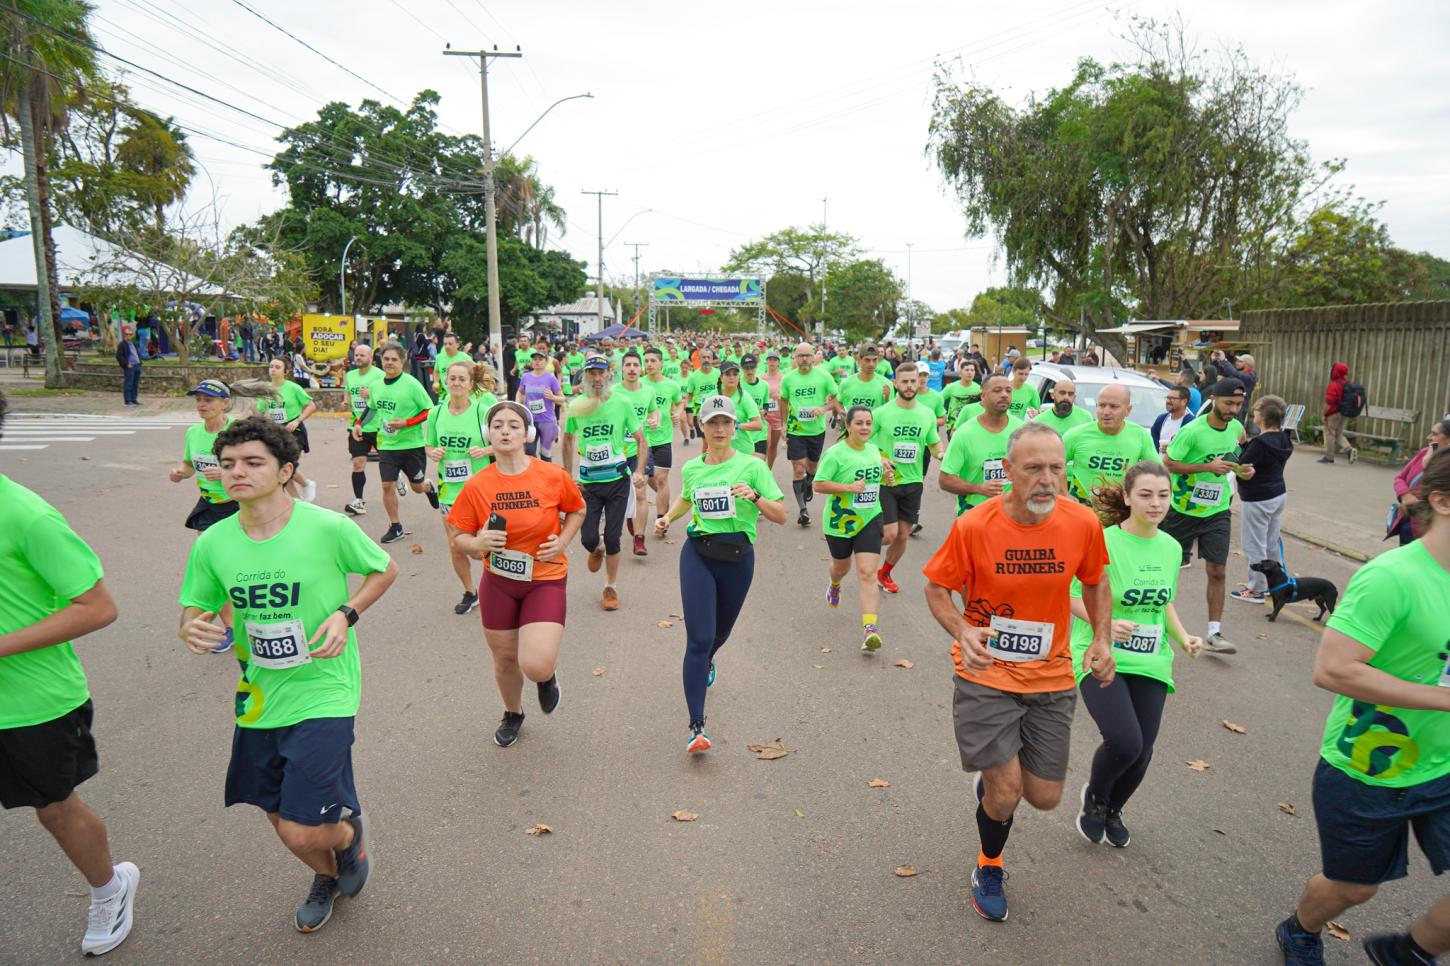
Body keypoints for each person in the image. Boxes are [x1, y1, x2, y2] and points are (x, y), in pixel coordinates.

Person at [178, 416, 398, 933]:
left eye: (253, 462)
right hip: (258, 696)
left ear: (285, 471)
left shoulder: (326, 526)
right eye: (228, 464)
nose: (237, 472)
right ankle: (327, 872)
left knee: (302, 829)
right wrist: (191, 630)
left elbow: (383, 568)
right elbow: (194, 609)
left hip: (325, 689)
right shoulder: (212, 543)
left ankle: (346, 839)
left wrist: (347, 615)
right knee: (278, 817)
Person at [922, 421, 1114, 923]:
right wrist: (962, 630)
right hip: (985, 672)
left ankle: (993, 786)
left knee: (1045, 798)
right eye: (1034, 469)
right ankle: (989, 864)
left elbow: (1094, 582)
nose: (1047, 479)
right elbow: (937, 589)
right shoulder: (975, 525)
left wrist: (1100, 637)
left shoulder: (1081, 523)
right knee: (1007, 795)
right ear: (1008, 471)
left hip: (1051, 675)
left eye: (1056, 467)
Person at [1274, 447, 1450, 966]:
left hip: (1444, 766)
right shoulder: (1393, 577)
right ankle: (1301, 929)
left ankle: (1410, 953)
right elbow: (1333, 668)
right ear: (1441, 500)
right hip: (1370, 765)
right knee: (1354, 889)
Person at [0, 390, 138, 956]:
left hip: (33, 702)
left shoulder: (25, 515)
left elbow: (97, 606)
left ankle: (110, 889)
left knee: (55, 809)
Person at [1069, 461, 1203, 847]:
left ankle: (1114, 807)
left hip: (1152, 658)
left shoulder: (1172, 547)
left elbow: (1164, 604)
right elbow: (1070, 595)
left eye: (1163, 495)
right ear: (1127, 497)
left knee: (1142, 752)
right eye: (1145, 495)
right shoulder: (1102, 540)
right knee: (1125, 742)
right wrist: (1103, 624)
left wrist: (1184, 637)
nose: (1156, 503)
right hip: (1100, 652)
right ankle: (1095, 797)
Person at [449, 401, 585, 747]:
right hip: (499, 582)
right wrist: (477, 542)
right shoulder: (477, 485)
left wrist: (563, 541)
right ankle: (513, 712)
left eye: (513, 425)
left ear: (527, 433)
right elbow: (458, 537)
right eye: (497, 425)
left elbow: (577, 509)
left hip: (545, 578)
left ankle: (546, 677)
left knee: (535, 664)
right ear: (488, 434)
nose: (505, 431)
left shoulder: (552, 476)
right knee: (505, 657)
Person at [655, 395, 787, 753]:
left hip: (738, 558)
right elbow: (686, 498)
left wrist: (755, 497)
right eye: (712, 422)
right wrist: (668, 517)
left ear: (734, 426)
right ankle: (696, 726)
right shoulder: (693, 468)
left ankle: (710, 658)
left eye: (725, 422)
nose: (719, 429)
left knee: (719, 634)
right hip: (698, 553)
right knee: (698, 639)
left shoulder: (753, 466)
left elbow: (780, 515)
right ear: (702, 426)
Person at [1162, 378, 1254, 654]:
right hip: (1182, 510)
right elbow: (1169, 463)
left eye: (1238, 404)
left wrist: (1241, 470)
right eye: (1229, 403)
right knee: (1164, 570)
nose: (1234, 409)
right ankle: (1155, 623)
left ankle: (1215, 633)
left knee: (1218, 570)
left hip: (1217, 510)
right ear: (1214, 399)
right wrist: (1207, 466)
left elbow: (1236, 452)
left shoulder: (1237, 428)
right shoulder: (1193, 431)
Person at [564, 357, 645, 612]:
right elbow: (566, 440)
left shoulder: (622, 402)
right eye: (591, 374)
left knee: (613, 537)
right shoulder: (577, 406)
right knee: (588, 538)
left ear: (608, 375)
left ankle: (611, 586)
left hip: (617, 481)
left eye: (601, 373)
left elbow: (641, 439)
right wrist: (567, 476)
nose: (597, 379)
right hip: (589, 484)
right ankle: (595, 549)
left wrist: (640, 470)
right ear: (585, 377)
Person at [814, 405, 894, 651]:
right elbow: (818, 484)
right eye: (858, 423)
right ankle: (834, 583)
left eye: (868, 423)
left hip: (869, 517)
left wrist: (885, 476)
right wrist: (848, 488)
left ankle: (870, 630)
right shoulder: (835, 454)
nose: (865, 427)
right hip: (840, 522)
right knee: (841, 567)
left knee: (868, 573)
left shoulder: (873, 450)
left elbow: (874, 476)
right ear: (847, 426)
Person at [425, 361, 496, 615]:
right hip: (450, 492)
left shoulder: (483, 411)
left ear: (470, 384)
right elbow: (429, 445)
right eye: (452, 378)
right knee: (455, 546)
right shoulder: (435, 413)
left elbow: (505, 441)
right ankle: (470, 591)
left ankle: (500, 587)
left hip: (481, 491)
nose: (455, 383)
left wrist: (486, 449)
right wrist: (434, 452)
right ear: (446, 381)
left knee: (484, 546)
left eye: (461, 379)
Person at [871, 365, 943, 595]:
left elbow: (933, 441)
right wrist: (879, 458)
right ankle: (864, 554)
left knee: (903, 535)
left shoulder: (926, 413)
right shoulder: (882, 413)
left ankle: (884, 572)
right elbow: (862, 441)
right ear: (895, 383)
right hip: (887, 480)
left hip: (914, 481)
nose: (910, 386)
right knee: (889, 533)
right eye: (905, 381)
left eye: (913, 381)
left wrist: (941, 453)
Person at [359, 342, 434, 544]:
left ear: (402, 362)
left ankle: (428, 487)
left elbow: (429, 410)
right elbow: (372, 408)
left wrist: (407, 423)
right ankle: (396, 526)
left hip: (412, 445)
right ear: (381, 361)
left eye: (394, 359)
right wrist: (359, 424)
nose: (389, 363)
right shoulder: (376, 386)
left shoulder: (411, 384)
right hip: (387, 445)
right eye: (386, 359)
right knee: (387, 486)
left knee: (417, 487)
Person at [1230, 395, 1294, 603]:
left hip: (1257, 498)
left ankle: (1256, 589)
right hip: (1278, 494)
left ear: (1263, 416)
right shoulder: (1284, 439)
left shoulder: (1260, 443)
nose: (1253, 413)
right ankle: (1277, 583)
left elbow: (1241, 465)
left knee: (1254, 544)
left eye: (1256, 410)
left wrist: (1238, 450)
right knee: (1271, 541)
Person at [939, 375, 1024, 517]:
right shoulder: (964, 434)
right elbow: (945, 479)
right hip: (974, 515)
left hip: (1013, 515)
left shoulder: (1023, 431)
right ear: (983, 396)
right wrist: (979, 488)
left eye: (1008, 391)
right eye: (997, 390)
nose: (1004, 395)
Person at [1061, 385, 1158, 505]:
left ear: (1128, 409)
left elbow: (1157, 473)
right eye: (1101, 405)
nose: (1106, 412)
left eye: (1114, 406)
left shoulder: (1140, 435)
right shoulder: (1075, 435)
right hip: (1082, 509)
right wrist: (1064, 493)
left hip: (1120, 509)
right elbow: (1051, 466)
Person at [780, 342, 840, 527]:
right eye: (801, 356)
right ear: (795, 358)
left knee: (812, 468)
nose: (804, 359)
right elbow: (783, 400)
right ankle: (802, 510)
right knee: (798, 468)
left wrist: (823, 408)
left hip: (816, 431)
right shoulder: (788, 379)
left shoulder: (823, 376)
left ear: (814, 357)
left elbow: (836, 399)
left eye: (807, 355)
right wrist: (783, 424)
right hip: (796, 429)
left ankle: (809, 482)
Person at [171, 379, 239, 532]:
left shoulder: (238, 429)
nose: (201, 404)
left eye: (208, 400)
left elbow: (255, 467)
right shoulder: (193, 432)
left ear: (225, 403)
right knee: (204, 550)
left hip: (238, 503)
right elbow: (189, 464)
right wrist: (180, 473)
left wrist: (225, 472)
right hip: (208, 502)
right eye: (198, 399)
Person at [614, 351, 664, 555]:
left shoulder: (648, 391)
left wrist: (655, 419)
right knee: (621, 495)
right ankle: (628, 516)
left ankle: (639, 539)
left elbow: (654, 410)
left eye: (636, 364)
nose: (632, 368)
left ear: (641, 368)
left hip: (640, 449)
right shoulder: (613, 392)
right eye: (628, 365)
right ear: (622, 369)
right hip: (616, 452)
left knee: (641, 492)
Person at [641, 348, 684, 539]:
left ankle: (661, 519)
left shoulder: (671, 386)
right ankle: (663, 497)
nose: (649, 364)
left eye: (653, 361)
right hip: (642, 440)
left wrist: (678, 412)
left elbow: (679, 402)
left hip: (664, 438)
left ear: (661, 364)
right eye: (647, 360)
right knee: (649, 479)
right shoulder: (639, 384)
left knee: (661, 478)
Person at [1387, 418, 1450, 545]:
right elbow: (1399, 478)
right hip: (1407, 520)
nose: (1429, 437)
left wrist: (1429, 465)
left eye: (1435, 434)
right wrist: (1405, 495)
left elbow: (1438, 490)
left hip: (1429, 527)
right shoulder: (1424, 453)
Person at [264, 357, 318, 503]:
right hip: (275, 432)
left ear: (285, 372)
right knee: (281, 470)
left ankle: (306, 484)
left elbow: (311, 406)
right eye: (271, 366)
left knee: (286, 465)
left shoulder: (293, 388)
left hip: (294, 430)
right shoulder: (266, 390)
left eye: (277, 367)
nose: (273, 369)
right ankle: (297, 501)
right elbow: (260, 411)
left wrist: (297, 420)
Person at [343, 344, 385, 516]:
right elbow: (348, 391)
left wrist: (372, 395)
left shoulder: (379, 375)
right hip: (357, 426)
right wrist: (346, 401)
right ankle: (359, 501)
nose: (358, 358)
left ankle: (397, 477)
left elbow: (386, 396)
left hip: (377, 426)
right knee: (358, 463)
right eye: (356, 355)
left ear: (370, 358)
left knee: (388, 461)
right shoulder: (350, 375)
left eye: (362, 355)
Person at [516, 350, 565, 461]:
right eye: (535, 359)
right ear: (532, 362)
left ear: (546, 362)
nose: (537, 361)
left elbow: (562, 399)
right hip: (530, 421)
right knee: (528, 452)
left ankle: (547, 476)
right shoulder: (526, 377)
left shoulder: (551, 378)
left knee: (545, 453)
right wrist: (518, 403)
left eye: (540, 359)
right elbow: (520, 392)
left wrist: (553, 397)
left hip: (547, 420)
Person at [833, 345, 894, 433]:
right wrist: (840, 411)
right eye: (867, 360)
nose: (871, 364)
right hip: (850, 436)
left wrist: (887, 398)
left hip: (874, 437)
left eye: (874, 360)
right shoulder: (847, 383)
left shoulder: (886, 384)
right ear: (860, 360)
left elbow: (889, 411)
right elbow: (837, 401)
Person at [1320, 362, 1358, 465]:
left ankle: (1329, 457)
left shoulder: (1334, 385)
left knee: (1329, 433)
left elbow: (1329, 402)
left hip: (1333, 414)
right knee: (1338, 434)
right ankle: (1349, 449)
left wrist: (1324, 414)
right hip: (1343, 413)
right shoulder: (1347, 384)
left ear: (1335, 371)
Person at [681, 348, 721, 445]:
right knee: (706, 441)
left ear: (712, 359)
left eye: (708, 357)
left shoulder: (718, 374)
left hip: (716, 407)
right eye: (704, 357)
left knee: (715, 439)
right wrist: (683, 407)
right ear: (699, 359)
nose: (706, 359)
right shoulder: (693, 376)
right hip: (699, 408)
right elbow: (689, 394)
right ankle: (705, 460)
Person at [739, 353, 772, 459]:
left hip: (759, 432)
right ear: (741, 368)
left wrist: (765, 411)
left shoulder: (764, 385)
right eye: (746, 368)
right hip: (742, 433)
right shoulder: (737, 384)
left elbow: (766, 404)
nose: (749, 371)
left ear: (756, 367)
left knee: (759, 463)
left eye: (752, 367)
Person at [941, 361, 983, 434]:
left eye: (972, 370)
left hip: (971, 425)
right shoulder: (951, 387)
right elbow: (938, 400)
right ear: (960, 374)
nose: (970, 372)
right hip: (953, 425)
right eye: (967, 370)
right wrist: (942, 413)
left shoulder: (978, 389)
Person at [1151, 386, 1195, 454]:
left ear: (1184, 401)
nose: (1168, 401)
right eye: (1167, 398)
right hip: (1159, 463)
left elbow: (1192, 448)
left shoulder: (1191, 423)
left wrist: (1172, 450)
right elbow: (1153, 443)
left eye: (1172, 399)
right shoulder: (1161, 419)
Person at [761, 349, 786, 468]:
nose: (772, 362)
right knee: (766, 444)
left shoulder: (783, 378)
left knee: (773, 446)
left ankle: (768, 469)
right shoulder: (761, 378)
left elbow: (788, 397)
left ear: (778, 363)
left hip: (777, 416)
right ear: (766, 361)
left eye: (775, 360)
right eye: (770, 359)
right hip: (764, 416)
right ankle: (761, 469)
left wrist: (779, 396)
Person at [432, 332, 472, 397]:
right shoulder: (439, 357)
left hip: (462, 396)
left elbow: (474, 374)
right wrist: (436, 382)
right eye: (445, 344)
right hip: (444, 396)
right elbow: (436, 371)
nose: (447, 346)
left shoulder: (465, 358)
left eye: (450, 344)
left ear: (457, 345)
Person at [1006, 356, 1039, 420]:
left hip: (1020, 428)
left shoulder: (1031, 391)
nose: (1023, 378)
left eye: (1026, 374)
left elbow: (1037, 411)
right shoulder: (1004, 389)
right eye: (1020, 374)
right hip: (1003, 428)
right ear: (1013, 371)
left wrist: (1037, 412)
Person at [115, 325, 141, 406]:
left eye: (130, 334)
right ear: (124, 335)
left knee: (135, 384)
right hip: (130, 366)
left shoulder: (134, 344)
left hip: (137, 365)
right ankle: (128, 401)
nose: (128, 336)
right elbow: (119, 356)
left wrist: (140, 362)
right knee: (129, 384)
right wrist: (126, 364)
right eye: (127, 334)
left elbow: (137, 353)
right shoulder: (122, 344)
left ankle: (134, 399)